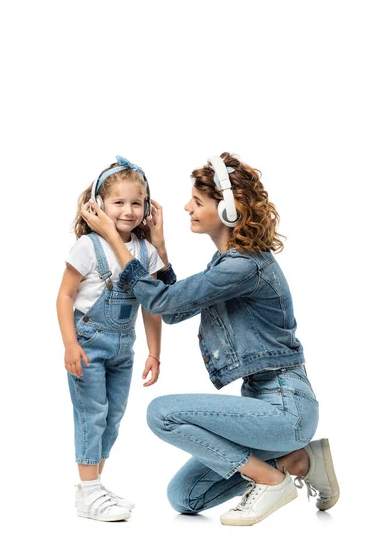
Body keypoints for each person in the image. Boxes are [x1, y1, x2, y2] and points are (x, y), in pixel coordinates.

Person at [80, 152, 340, 527]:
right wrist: (162, 250)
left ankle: (270, 479)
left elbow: (160, 302)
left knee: (161, 413)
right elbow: (172, 311)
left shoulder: (244, 266)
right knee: (185, 497)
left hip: (286, 408)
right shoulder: (226, 263)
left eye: (198, 202)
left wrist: (112, 239)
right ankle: (298, 460)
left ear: (229, 211)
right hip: (263, 407)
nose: (187, 207)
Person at [56, 156, 165, 522]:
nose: (129, 210)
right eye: (119, 202)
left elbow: (152, 306)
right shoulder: (89, 247)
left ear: (147, 206)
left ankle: (93, 487)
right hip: (88, 345)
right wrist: (70, 344)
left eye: (137, 202)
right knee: (92, 414)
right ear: (99, 204)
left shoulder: (146, 252)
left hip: (124, 349)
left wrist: (155, 351)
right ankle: (89, 492)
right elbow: (65, 296)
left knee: (113, 417)